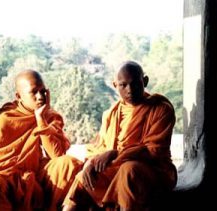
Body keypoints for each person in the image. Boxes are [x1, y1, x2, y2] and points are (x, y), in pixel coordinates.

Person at [62, 61, 177, 211]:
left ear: (145, 81)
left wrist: (116, 154)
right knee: (83, 178)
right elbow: (99, 148)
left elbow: (153, 151)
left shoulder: (160, 109)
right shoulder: (111, 114)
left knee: (129, 170)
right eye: (123, 85)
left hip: (154, 171)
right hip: (117, 169)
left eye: (135, 83)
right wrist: (91, 163)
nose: (130, 90)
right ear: (115, 85)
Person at [0, 69, 83, 211]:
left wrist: (41, 120)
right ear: (19, 96)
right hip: (8, 176)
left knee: (68, 164)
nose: (40, 97)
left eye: (43, 91)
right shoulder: (7, 117)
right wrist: (21, 179)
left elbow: (57, 154)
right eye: (34, 92)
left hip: (36, 174)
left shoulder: (51, 116)